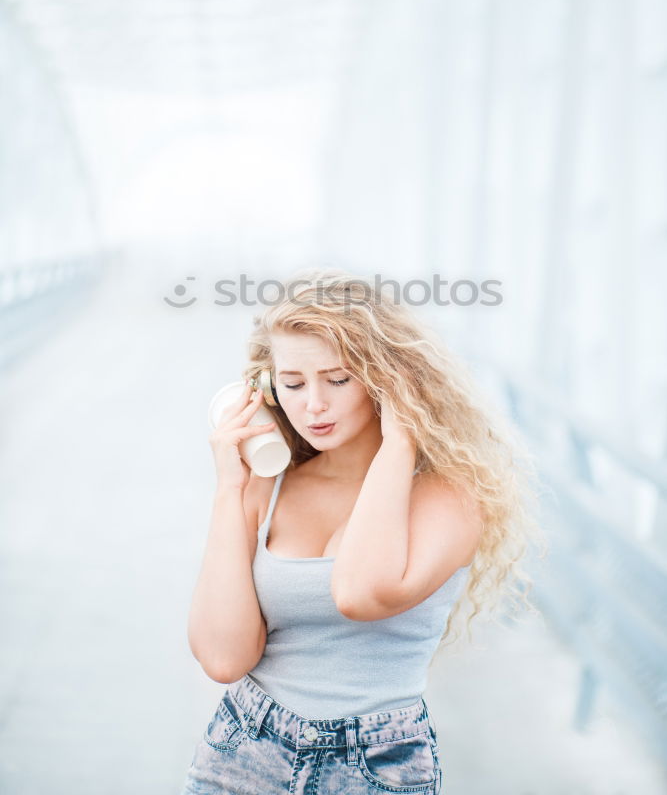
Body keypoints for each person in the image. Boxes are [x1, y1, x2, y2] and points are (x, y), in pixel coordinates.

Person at [180, 269, 545, 794]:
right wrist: (229, 490)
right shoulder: (268, 485)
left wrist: (400, 442)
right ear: (266, 386)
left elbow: (359, 593)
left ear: (387, 379)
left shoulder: (450, 497)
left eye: (338, 378)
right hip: (244, 746)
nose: (314, 405)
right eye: (293, 382)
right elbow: (223, 658)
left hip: (374, 763)